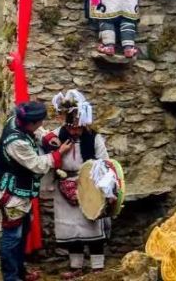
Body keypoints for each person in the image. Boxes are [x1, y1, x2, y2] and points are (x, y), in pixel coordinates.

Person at [0, 100, 73, 281]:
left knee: (22, 233)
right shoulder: (16, 142)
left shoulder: (16, 120)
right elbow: (36, 164)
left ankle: (20, 272)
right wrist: (59, 153)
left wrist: (46, 137)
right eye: (40, 122)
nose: (42, 124)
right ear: (31, 122)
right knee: (12, 237)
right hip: (12, 194)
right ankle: (11, 277)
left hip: (22, 191)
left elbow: (36, 132)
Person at [49, 90, 110, 277]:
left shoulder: (94, 139)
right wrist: (59, 153)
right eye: (71, 128)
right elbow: (46, 158)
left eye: (79, 127)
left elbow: (104, 163)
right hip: (63, 184)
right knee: (71, 228)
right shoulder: (54, 137)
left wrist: (100, 186)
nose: (75, 131)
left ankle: (97, 267)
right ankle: (76, 266)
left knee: (91, 224)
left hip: (89, 186)